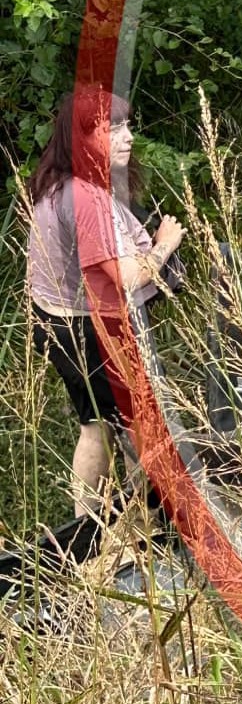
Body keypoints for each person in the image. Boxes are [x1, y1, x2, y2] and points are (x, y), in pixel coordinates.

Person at [24, 87, 185, 517]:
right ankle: (145, 529)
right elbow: (126, 277)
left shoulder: (58, 184)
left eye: (127, 125)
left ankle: (86, 532)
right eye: (112, 129)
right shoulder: (86, 198)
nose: (127, 137)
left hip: (60, 324)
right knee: (141, 428)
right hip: (93, 331)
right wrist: (164, 245)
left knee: (95, 428)